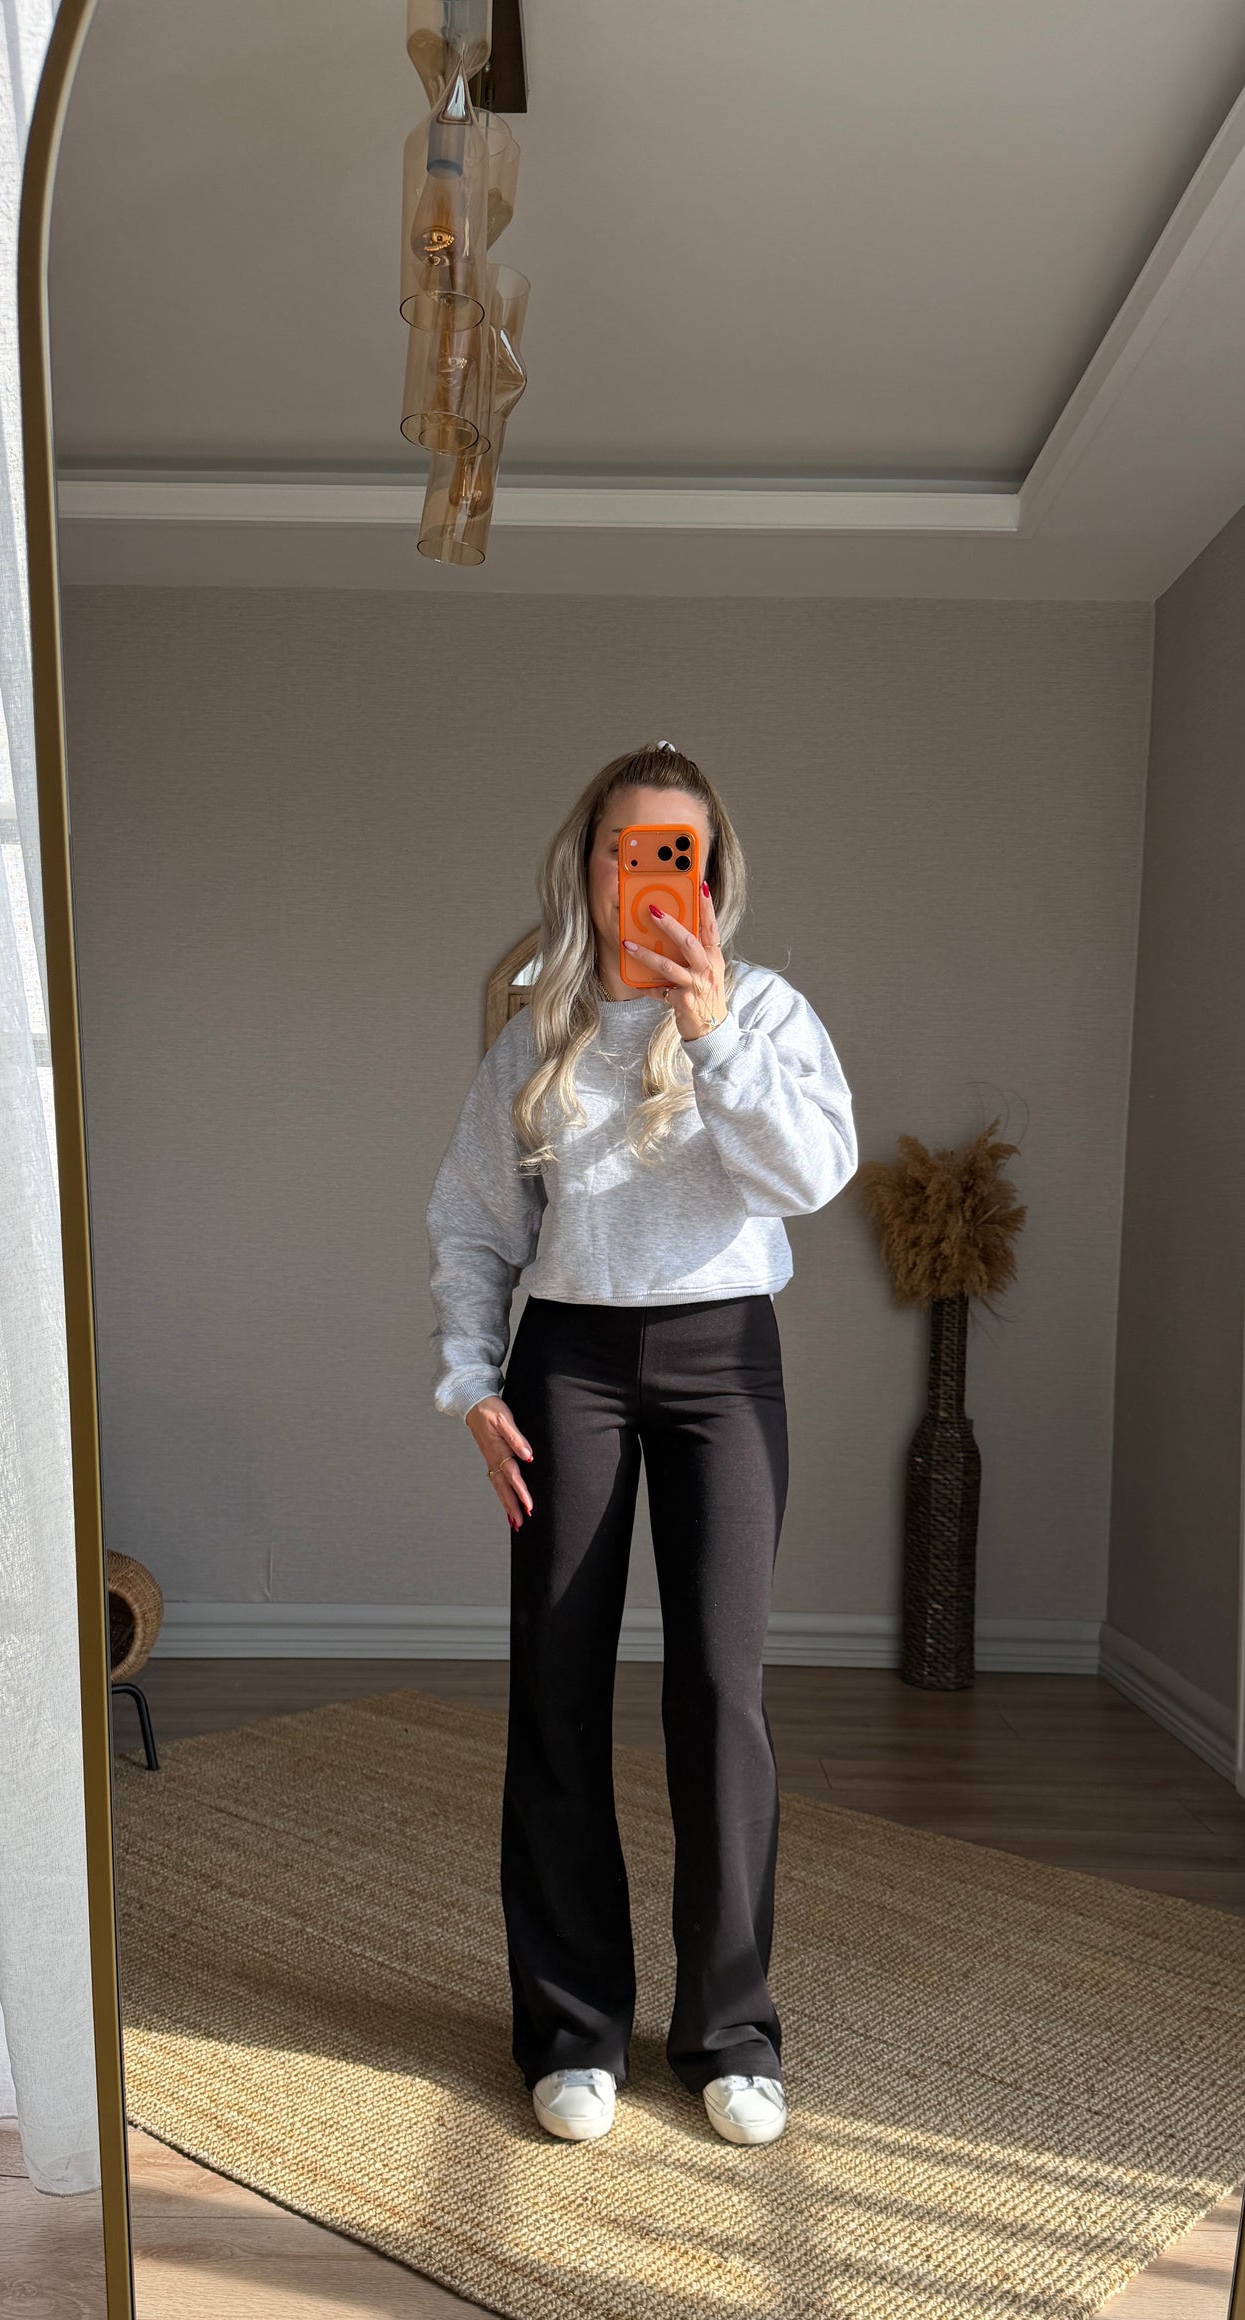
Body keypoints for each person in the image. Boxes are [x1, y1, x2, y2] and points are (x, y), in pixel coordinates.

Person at [427, 744, 857, 2148]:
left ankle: (731, 2032)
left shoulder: (768, 1011)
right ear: (592, 866)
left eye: (680, 852)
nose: (654, 875)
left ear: (711, 875)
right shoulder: (534, 1028)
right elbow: (474, 1222)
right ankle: (572, 2029)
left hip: (725, 1361)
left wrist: (712, 1027)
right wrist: (470, 1379)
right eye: (630, 849)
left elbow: (808, 1178)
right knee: (555, 1688)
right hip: (570, 1367)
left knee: (720, 1696)